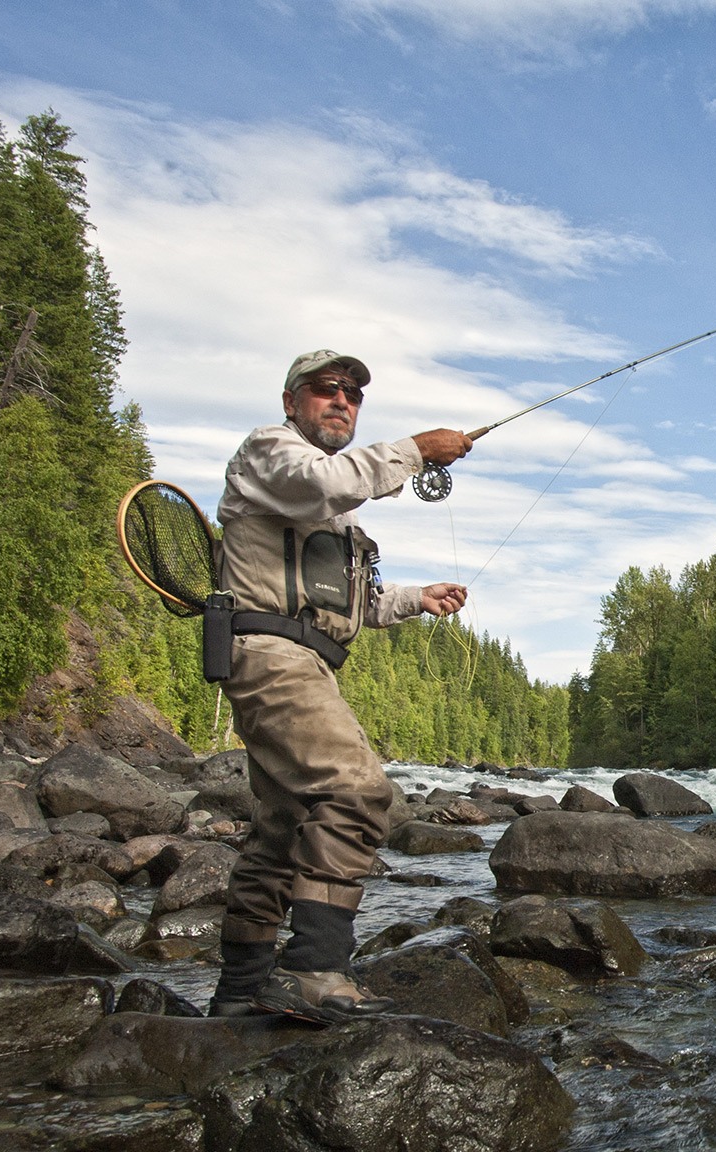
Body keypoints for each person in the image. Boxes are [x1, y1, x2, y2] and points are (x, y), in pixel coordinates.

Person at [205, 349, 473, 1022]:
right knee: (357, 791)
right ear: (292, 401)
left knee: (284, 825)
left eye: (352, 394)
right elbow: (326, 484)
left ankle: (241, 991)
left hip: (306, 660)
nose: (342, 401)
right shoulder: (270, 453)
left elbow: (355, 607)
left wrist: (418, 598)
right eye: (327, 389)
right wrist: (417, 449)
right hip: (270, 656)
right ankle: (316, 971)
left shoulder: (337, 519)